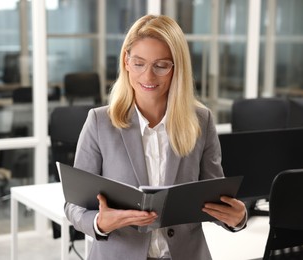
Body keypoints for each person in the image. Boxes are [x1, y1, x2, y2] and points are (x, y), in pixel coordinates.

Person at [64, 14, 247, 260]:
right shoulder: (99, 122)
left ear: (176, 68)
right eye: (139, 63)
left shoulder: (201, 122)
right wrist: (99, 222)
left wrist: (236, 218)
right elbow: (73, 206)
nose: (148, 77)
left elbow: (215, 201)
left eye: (160, 65)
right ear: (126, 61)